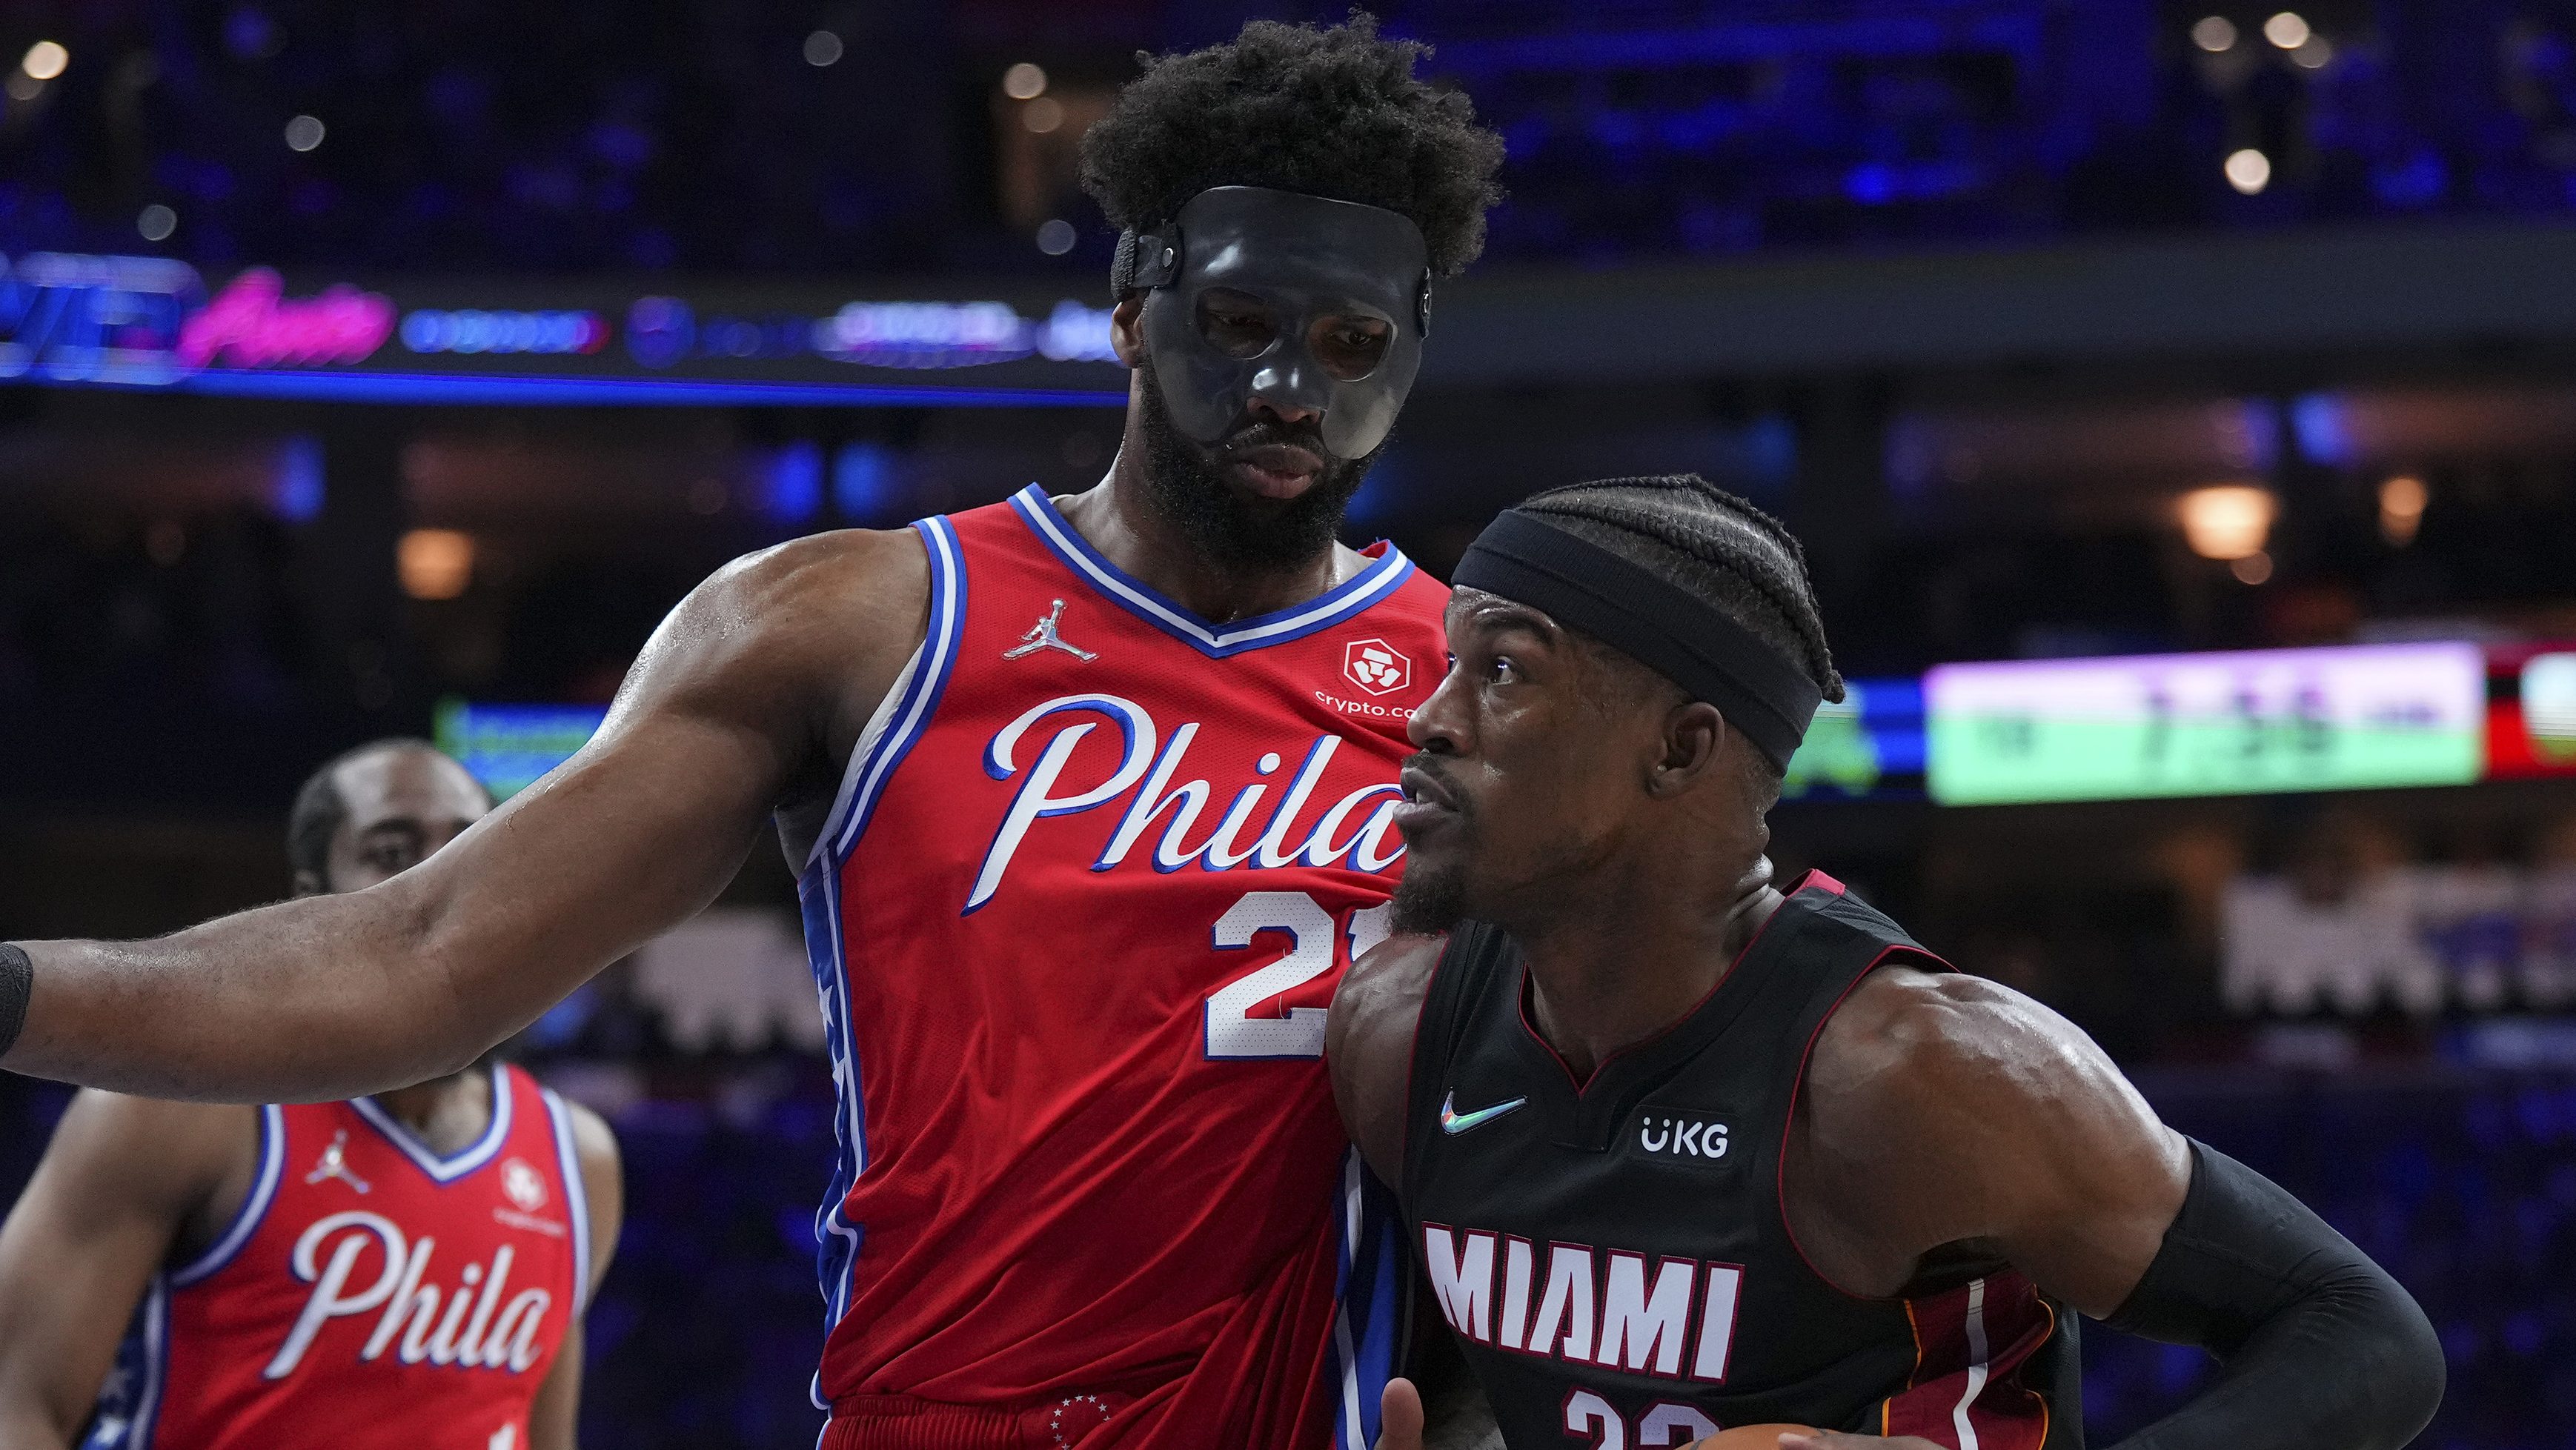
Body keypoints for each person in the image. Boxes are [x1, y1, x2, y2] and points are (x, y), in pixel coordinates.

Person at [0, 17, 1507, 1450]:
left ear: (1408, 354)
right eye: (1239, 322)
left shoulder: (1473, 685)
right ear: (1130, 306)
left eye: (1348, 341)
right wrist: (17, 991)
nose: (1286, 391)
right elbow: (426, 950)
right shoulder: (855, 622)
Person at [1329, 476, 2445, 1450]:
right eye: (1445, 667)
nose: (1428, 718)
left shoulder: (1912, 1069)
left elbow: (2365, 1336)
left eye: (1505, 671)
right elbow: (1480, 1383)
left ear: (1679, 749)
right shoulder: (1398, 1032)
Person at [0, 740, 623, 1450]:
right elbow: (18, 1408)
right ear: (311, 903)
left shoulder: (579, 1158)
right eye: (393, 851)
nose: (443, 883)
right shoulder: (181, 1109)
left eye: (470, 849)